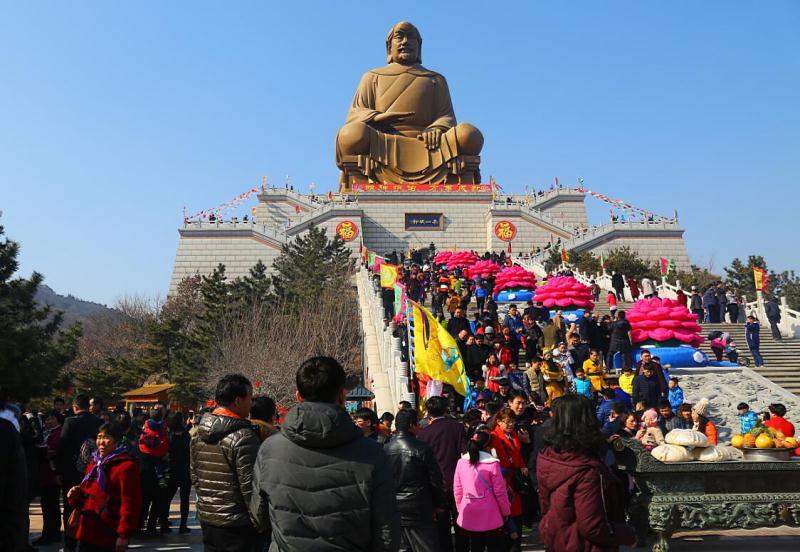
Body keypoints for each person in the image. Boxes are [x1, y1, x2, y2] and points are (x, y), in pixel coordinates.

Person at [250, 356, 400, 551]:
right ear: (342, 396)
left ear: (298, 396)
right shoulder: (373, 453)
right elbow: (387, 530)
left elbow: (259, 517)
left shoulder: (269, 449)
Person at [536, 395, 636, 551]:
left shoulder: (549, 455)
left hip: (558, 537)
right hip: (584, 545)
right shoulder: (585, 469)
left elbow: (545, 505)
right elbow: (592, 525)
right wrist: (627, 534)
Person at [192, 374, 261, 552]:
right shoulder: (243, 437)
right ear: (238, 401)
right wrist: (261, 525)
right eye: (250, 397)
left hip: (208, 518)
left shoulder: (198, 434)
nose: (251, 403)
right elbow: (251, 488)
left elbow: (195, 476)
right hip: (237, 523)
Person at [66, 421, 142, 552]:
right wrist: (74, 496)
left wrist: (124, 534)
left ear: (116, 441)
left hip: (108, 532)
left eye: (107, 437)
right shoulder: (94, 463)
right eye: (99, 437)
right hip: (86, 529)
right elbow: (85, 497)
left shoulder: (126, 467)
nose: (101, 442)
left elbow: (130, 503)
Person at [384, 409, 444, 552]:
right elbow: (435, 479)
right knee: (426, 546)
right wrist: (438, 503)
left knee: (401, 547)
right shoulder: (422, 448)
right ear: (411, 425)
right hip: (419, 506)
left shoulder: (385, 449)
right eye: (417, 423)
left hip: (393, 506)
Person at [416, 395, 467, 552]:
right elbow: (465, 455)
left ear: (429, 412)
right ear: (446, 409)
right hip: (458, 483)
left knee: (442, 526)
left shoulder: (424, 434)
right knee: (461, 523)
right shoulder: (457, 428)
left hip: (436, 485)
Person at [57, 394, 103, 552]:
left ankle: (70, 543)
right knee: (90, 505)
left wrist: (59, 470)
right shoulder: (99, 422)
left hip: (71, 470)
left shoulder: (70, 421)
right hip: (93, 471)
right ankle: (87, 540)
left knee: (71, 505)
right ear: (88, 406)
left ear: (75, 407)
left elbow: (62, 447)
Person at [453, 428, 510, 552]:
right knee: (495, 546)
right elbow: (500, 491)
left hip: (469, 509)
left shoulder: (461, 462)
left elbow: (458, 490)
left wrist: (460, 508)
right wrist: (505, 511)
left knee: (475, 545)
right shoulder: (492, 464)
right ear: (488, 446)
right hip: (491, 512)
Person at [490, 408, 526, 550]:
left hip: (515, 480)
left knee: (516, 518)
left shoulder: (514, 435)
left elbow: (518, 454)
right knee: (507, 519)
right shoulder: (494, 436)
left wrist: (523, 466)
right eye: (507, 422)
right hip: (504, 482)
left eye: (512, 421)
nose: (511, 424)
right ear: (498, 422)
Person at [34, 410, 64, 546]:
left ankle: (50, 534)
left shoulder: (59, 432)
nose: (48, 422)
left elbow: (53, 451)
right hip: (46, 473)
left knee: (50, 506)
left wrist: (41, 451)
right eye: (46, 419)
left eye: (51, 419)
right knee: (48, 505)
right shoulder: (47, 432)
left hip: (52, 474)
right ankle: (52, 533)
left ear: (58, 420)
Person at [138, 407, 170, 535]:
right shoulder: (164, 430)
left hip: (145, 467)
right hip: (159, 469)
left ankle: (139, 525)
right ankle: (152, 526)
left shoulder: (144, 429)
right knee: (157, 499)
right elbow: (167, 447)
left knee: (144, 499)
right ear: (162, 416)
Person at [164, 412, 191, 534]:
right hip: (185, 470)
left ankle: (164, 522)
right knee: (185, 499)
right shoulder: (186, 435)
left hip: (171, 469)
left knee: (167, 497)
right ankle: (183, 525)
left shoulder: (168, 436)